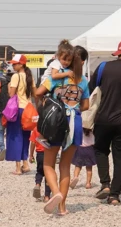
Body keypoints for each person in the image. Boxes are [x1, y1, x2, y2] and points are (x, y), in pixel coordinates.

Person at [35, 42, 91, 215]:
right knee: (65, 166)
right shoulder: (84, 81)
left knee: (48, 163)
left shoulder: (55, 78)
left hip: (56, 123)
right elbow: (86, 105)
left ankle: (56, 192)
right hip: (75, 124)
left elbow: (38, 93)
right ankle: (62, 207)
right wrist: (73, 109)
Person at [90, 39, 121, 204]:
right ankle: (114, 195)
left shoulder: (103, 67)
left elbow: (91, 89)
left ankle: (105, 184)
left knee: (100, 150)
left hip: (103, 119)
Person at [5, 55, 35, 175]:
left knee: (15, 137)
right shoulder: (29, 76)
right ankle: (25, 164)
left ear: (21, 64)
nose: (13, 66)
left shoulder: (15, 76)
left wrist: (8, 87)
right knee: (25, 137)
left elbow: (11, 94)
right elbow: (34, 93)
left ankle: (18, 168)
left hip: (17, 110)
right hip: (28, 109)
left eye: (15, 64)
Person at [0, 68, 11, 160]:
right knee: (10, 131)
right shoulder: (15, 82)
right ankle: (10, 149)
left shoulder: (0, 82)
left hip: (1, 110)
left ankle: (2, 148)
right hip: (12, 111)